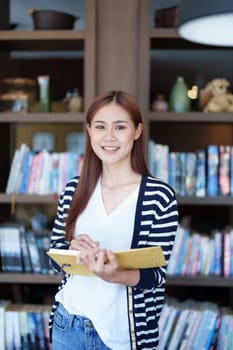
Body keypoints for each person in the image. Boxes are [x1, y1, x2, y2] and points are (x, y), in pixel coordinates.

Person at [49, 90, 178, 350]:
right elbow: (54, 259)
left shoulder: (158, 196)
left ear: (137, 131)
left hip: (124, 336)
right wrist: (73, 250)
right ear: (89, 131)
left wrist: (114, 274)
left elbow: (155, 276)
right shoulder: (74, 189)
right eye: (100, 127)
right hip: (68, 325)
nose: (109, 137)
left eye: (120, 127)